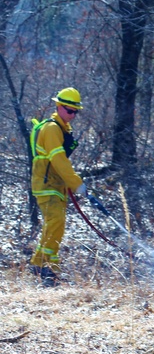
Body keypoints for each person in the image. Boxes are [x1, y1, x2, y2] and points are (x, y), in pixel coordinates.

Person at [29, 87, 87, 285]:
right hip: (46, 184)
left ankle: (49, 269)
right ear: (58, 106)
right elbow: (59, 160)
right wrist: (76, 183)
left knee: (57, 225)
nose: (72, 115)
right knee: (55, 222)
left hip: (55, 185)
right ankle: (40, 265)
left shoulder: (62, 128)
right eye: (69, 110)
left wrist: (69, 183)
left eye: (75, 111)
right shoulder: (52, 129)